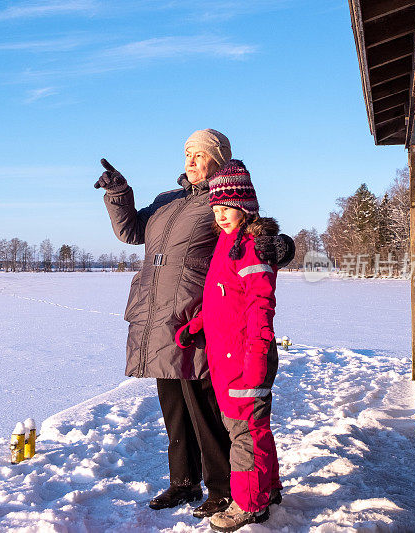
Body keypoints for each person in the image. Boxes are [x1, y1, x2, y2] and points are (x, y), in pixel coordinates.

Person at [95, 129, 235, 518]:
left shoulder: (224, 200)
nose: (189, 160)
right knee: (172, 402)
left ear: (218, 159)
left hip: (193, 314)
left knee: (203, 404)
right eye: (187, 153)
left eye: (199, 155)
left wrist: (279, 245)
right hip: (156, 311)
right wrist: (119, 192)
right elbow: (131, 232)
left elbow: (247, 238)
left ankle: (221, 487)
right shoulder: (167, 200)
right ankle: (183, 481)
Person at [175, 159, 283, 530]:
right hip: (226, 355)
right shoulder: (227, 243)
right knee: (251, 427)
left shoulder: (253, 247)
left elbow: (259, 308)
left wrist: (255, 355)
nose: (221, 216)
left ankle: (249, 503)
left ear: (246, 207)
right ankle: (266, 488)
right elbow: (221, 297)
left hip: (246, 356)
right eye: (216, 209)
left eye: (228, 209)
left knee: (244, 432)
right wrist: (198, 324)